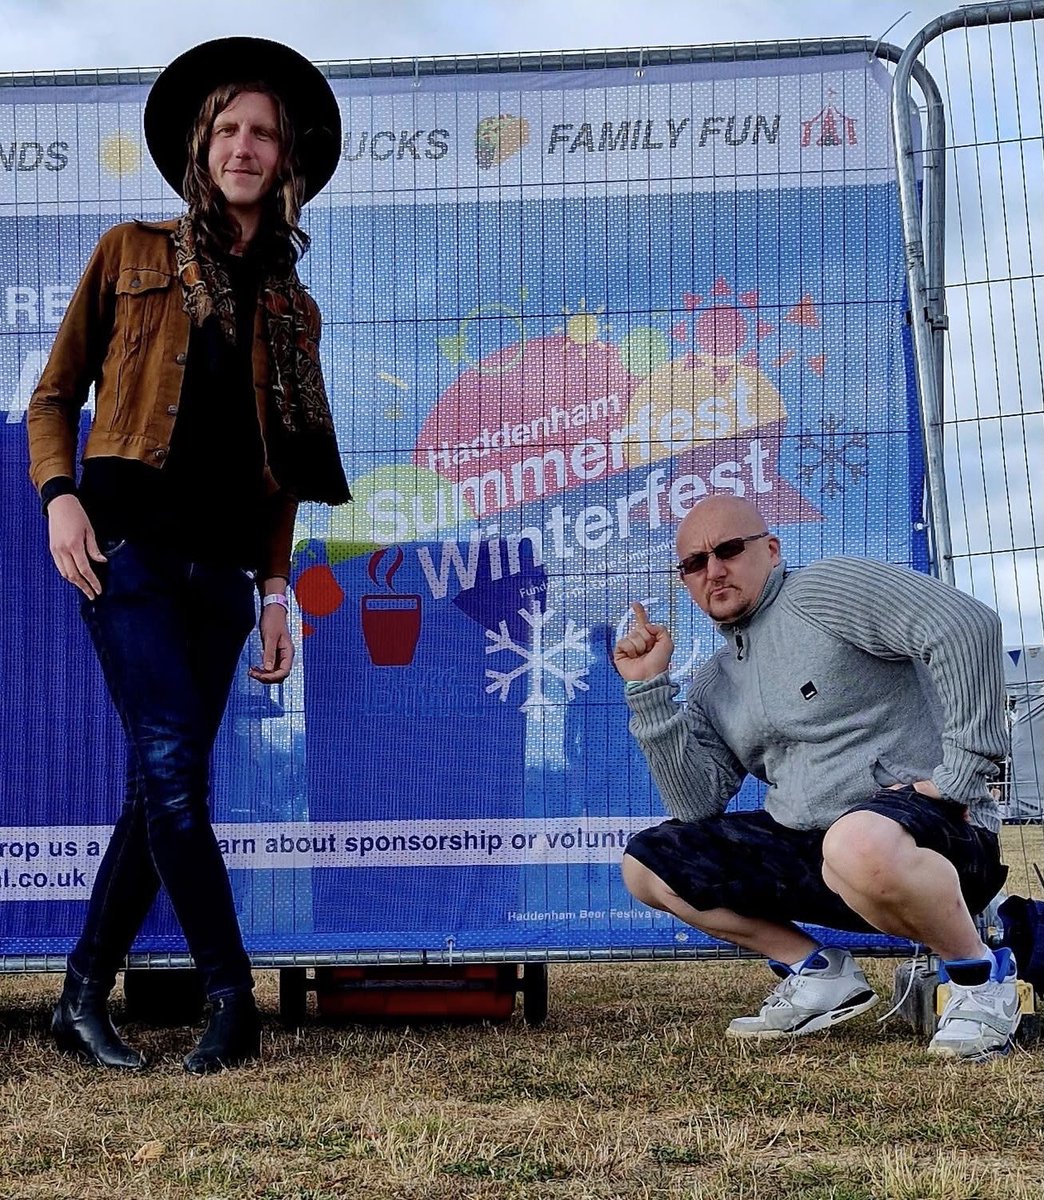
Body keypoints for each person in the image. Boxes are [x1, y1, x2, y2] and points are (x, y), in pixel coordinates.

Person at [26, 37, 350, 1073]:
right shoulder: (130, 252)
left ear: (286, 160)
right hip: (125, 556)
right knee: (171, 776)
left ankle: (79, 997)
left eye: (264, 133)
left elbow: (285, 472)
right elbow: (52, 396)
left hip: (221, 573)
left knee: (157, 791)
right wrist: (59, 497)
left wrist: (274, 588)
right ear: (199, 147)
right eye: (229, 130)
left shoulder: (294, 310)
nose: (245, 147)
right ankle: (232, 995)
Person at [614, 495, 1017, 1061]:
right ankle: (817, 971)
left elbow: (966, 626)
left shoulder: (823, 591)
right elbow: (697, 804)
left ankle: (981, 978)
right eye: (694, 563)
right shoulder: (712, 684)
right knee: (648, 864)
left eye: (729, 549)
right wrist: (648, 691)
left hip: (934, 835)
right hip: (822, 852)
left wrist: (964, 775)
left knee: (855, 840)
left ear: (771, 551)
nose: (714, 570)